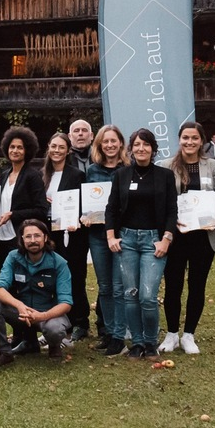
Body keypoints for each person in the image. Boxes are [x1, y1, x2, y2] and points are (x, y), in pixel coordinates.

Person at [105, 128, 178, 361]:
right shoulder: (121, 175)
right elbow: (111, 208)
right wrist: (111, 237)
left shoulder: (165, 176)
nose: (141, 148)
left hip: (153, 241)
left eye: (146, 144)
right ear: (131, 149)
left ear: (153, 149)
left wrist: (166, 238)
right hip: (126, 240)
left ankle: (150, 341)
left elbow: (171, 210)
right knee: (130, 294)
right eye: (136, 144)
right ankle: (136, 342)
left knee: (147, 295)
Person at [157, 122, 215, 355]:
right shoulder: (165, 166)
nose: (190, 142)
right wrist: (168, 222)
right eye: (185, 137)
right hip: (174, 236)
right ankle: (172, 333)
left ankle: (189, 335)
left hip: (203, 236)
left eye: (195, 138)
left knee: (197, 286)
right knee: (173, 286)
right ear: (179, 139)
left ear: (202, 141)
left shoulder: (213, 166)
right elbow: (160, 200)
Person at [0, 219, 73, 370]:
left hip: (47, 314)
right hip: (22, 312)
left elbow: (66, 303)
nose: (33, 240)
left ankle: (54, 345)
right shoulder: (13, 257)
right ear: (22, 239)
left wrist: (42, 316)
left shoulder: (58, 263)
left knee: (55, 329)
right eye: (28, 236)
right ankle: (5, 353)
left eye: (37, 236)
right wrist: (19, 306)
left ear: (45, 238)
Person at [83, 125, 131, 356]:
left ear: (121, 143)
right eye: (105, 142)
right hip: (98, 236)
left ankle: (121, 334)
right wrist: (85, 216)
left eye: (114, 141)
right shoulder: (92, 171)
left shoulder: (130, 169)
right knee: (105, 287)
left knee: (120, 287)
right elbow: (89, 200)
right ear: (99, 145)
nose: (110, 145)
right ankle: (110, 333)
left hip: (123, 235)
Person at [42, 132, 93, 341]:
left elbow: (83, 204)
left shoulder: (76, 175)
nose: (56, 150)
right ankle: (59, 321)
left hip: (73, 233)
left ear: (68, 150)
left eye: (61, 147)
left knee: (75, 277)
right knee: (52, 277)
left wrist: (77, 219)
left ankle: (81, 321)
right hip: (49, 232)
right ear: (48, 147)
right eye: (53, 146)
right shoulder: (42, 175)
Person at [0, 126, 48, 268]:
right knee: (5, 279)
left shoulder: (33, 176)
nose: (15, 151)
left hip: (21, 237)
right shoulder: (4, 175)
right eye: (12, 147)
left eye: (20, 147)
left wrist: (13, 215)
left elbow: (41, 210)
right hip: (2, 237)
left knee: (21, 280)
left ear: (27, 150)